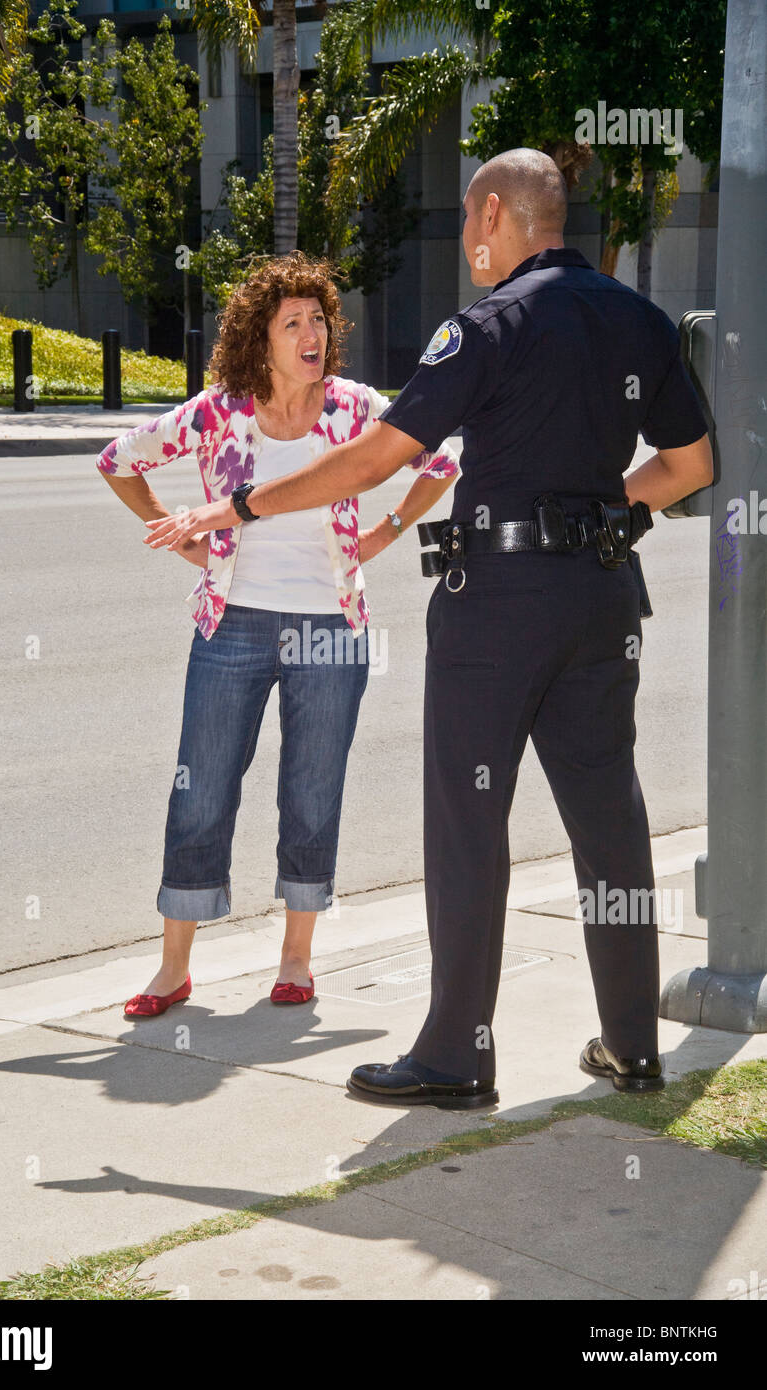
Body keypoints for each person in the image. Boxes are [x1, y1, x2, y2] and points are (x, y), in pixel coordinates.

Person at [152, 149, 713, 1107]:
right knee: (609, 818)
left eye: (466, 220)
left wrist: (241, 507)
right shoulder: (640, 320)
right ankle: (633, 1045)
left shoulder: (487, 327)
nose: (465, 240)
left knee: (467, 823)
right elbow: (692, 463)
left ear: (495, 214)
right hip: (600, 598)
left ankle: (457, 1055)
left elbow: (375, 460)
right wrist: (591, 510)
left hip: (498, 605)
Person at [97, 251, 459, 1017]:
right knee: (202, 787)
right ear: (259, 339)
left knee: (312, 790)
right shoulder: (218, 411)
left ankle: (295, 959)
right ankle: (173, 970)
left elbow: (443, 459)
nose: (311, 333)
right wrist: (184, 539)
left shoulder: (358, 409)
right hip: (232, 623)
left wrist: (388, 531)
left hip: (332, 626)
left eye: (318, 319)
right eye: (291, 321)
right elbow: (116, 460)